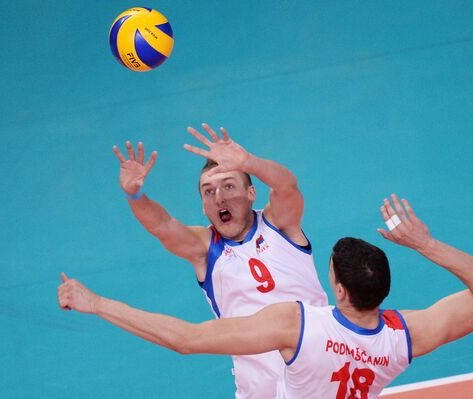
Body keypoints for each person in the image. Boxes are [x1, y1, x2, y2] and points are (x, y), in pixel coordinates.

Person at [58, 195, 473, 398]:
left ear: (337, 289)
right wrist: (426, 244)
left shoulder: (297, 326)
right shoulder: (404, 337)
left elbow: (185, 339)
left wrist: (96, 303)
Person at [112, 124, 328, 397]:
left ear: (252, 194)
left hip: (323, 376)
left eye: (228, 186)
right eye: (208, 191)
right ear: (203, 207)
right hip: (262, 391)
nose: (219, 197)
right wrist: (135, 195)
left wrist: (250, 163)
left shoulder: (279, 225)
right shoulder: (205, 249)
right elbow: (162, 226)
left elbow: (287, 186)